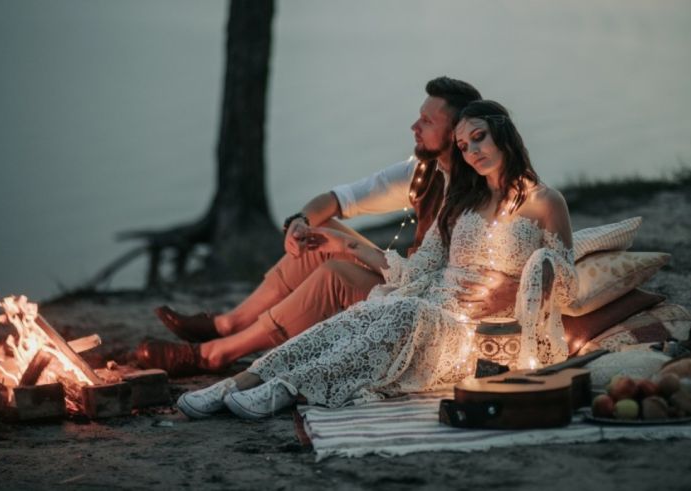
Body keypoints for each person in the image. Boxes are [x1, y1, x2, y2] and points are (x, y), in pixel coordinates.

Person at [175, 100, 578, 419]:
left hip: (481, 337)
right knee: (356, 318)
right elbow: (415, 271)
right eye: (464, 146)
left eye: (479, 138)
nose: (473, 152)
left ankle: (289, 388)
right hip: (430, 303)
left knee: (405, 312)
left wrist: (518, 289)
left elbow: (567, 281)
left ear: (503, 133)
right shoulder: (459, 202)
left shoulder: (546, 202)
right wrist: (343, 245)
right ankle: (240, 381)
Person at [136, 77, 521, 376]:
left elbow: (448, 281)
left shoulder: (479, 196)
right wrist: (300, 222)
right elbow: (339, 199)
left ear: (455, 133)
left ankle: (215, 353)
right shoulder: (424, 173)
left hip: (430, 305)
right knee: (321, 232)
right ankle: (226, 324)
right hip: (406, 278)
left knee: (336, 271)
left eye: (426, 121)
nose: (413, 126)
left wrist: (347, 248)